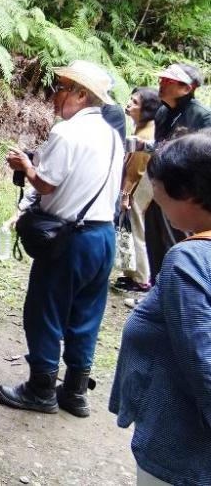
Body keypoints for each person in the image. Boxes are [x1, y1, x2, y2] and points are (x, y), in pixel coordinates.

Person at [0, 60, 123, 417]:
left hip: (70, 239)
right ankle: (76, 392)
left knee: (44, 311)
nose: (55, 94)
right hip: (102, 236)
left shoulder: (66, 133)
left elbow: (47, 184)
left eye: (62, 87)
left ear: (81, 95)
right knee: (86, 313)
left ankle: (40, 390)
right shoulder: (111, 134)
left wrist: (25, 166)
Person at [109, 132, 211, 486]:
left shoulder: (189, 260)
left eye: (158, 189)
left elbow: (203, 359)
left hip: (181, 448)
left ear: (190, 194)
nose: (155, 199)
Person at [144, 63, 211, 282]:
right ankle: (157, 287)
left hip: (184, 192)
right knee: (154, 235)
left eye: (169, 81)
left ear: (187, 88)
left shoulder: (202, 116)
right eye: (162, 80)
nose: (161, 84)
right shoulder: (162, 112)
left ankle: (179, 285)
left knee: (178, 239)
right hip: (159, 183)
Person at [114, 88, 160, 294]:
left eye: (135, 102)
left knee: (136, 228)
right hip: (141, 185)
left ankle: (141, 278)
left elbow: (135, 170)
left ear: (147, 109)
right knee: (132, 229)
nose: (129, 105)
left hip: (141, 187)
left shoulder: (146, 133)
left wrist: (125, 195)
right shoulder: (143, 128)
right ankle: (132, 274)